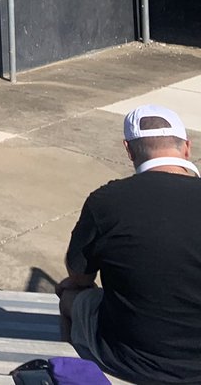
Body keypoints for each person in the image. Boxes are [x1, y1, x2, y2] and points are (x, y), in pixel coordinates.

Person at [57, 104, 201, 384]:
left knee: (70, 297)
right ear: (187, 148)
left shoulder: (106, 201)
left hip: (127, 359)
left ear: (129, 149)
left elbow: (79, 276)